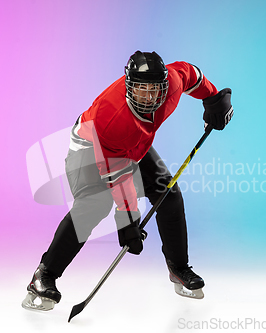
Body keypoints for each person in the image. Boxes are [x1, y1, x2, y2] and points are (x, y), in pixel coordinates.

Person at [22, 51, 233, 311]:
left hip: (132, 145)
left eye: (155, 89)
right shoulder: (111, 117)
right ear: (129, 86)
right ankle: (43, 276)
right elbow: (118, 174)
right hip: (91, 147)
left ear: (164, 86)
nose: (149, 96)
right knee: (94, 204)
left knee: (168, 195)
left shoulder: (173, 87)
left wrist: (213, 99)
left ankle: (179, 268)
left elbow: (191, 74)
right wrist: (128, 220)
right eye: (142, 90)